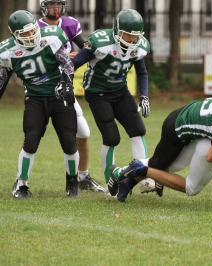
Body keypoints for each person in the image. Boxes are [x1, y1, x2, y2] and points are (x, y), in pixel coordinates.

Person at [71, 8, 156, 195]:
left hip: (120, 91)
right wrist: (64, 82)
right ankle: (112, 185)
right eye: (127, 35)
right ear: (117, 30)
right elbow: (74, 64)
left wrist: (144, 96)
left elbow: (142, 72)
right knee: (111, 138)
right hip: (97, 93)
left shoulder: (139, 46)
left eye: (134, 36)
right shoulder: (101, 43)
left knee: (138, 130)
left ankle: (143, 177)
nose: (131, 40)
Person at [0, 10, 79, 198]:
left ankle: (72, 181)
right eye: (24, 33)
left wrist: (66, 82)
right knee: (31, 141)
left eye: (32, 30)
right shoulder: (7, 52)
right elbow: (2, 81)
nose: (31, 35)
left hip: (58, 94)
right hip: (34, 98)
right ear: (14, 35)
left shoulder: (51, 37)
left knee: (69, 141)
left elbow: (67, 64)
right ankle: (21, 184)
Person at [38, 0, 104, 192]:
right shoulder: (35, 28)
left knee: (82, 132)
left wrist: (80, 55)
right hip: (43, 89)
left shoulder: (69, 24)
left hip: (64, 87)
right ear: (44, 6)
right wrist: (66, 57)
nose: (55, 9)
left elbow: (86, 48)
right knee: (33, 137)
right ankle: (21, 180)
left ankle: (82, 177)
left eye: (58, 4)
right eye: (51, 4)